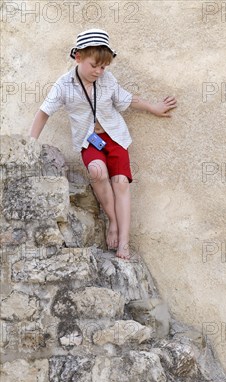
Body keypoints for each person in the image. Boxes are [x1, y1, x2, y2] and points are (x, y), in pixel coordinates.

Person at [30, 28, 177, 260]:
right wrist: (30, 144)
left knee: (121, 184)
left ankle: (124, 243)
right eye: (94, 65)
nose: (99, 71)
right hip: (89, 141)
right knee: (97, 172)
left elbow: (128, 100)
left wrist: (153, 107)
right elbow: (43, 113)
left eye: (104, 67)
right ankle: (113, 222)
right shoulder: (63, 84)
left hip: (115, 137)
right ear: (78, 57)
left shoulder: (107, 80)